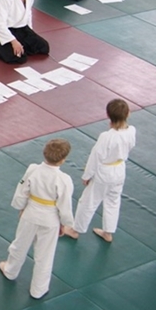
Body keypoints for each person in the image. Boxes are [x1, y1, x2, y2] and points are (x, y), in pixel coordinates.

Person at [0, 138, 73, 299]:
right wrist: (64, 223)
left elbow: (22, 190)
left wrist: (21, 206)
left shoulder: (33, 169)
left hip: (30, 213)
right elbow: (65, 205)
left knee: (20, 244)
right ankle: (38, 290)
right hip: (50, 218)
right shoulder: (64, 179)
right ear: (63, 159)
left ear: (44, 153)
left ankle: (10, 271)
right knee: (45, 255)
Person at [64, 99, 135, 242]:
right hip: (120, 169)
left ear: (108, 115)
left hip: (104, 172)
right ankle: (108, 232)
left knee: (88, 201)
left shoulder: (106, 136)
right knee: (113, 200)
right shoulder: (131, 131)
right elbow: (131, 146)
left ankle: (75, 230)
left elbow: (95, 157)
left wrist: (87, 175)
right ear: (128, 113)